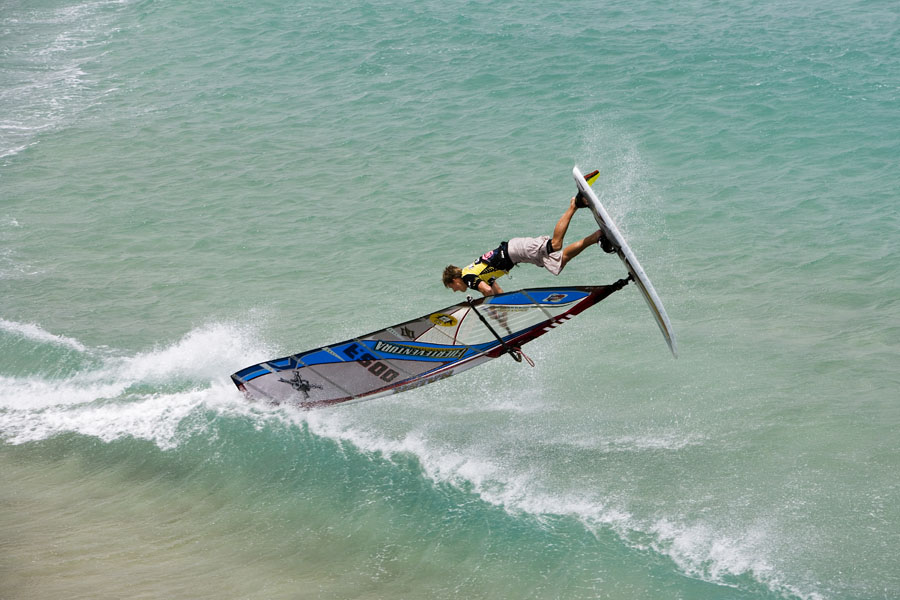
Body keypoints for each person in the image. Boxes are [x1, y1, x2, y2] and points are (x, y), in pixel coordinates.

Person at [442, 181, 615, 297]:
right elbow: (496, 291)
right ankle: (596, 237)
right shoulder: (473, 272)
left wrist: (486, 305)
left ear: (454, 280)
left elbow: (486, 290)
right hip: (515, 252)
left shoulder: (468, 278)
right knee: (559, 262)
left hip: (515, 251)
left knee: (554, 245)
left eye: (453, 287)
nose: (456, 290)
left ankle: (575, 204)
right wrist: (501, 313)